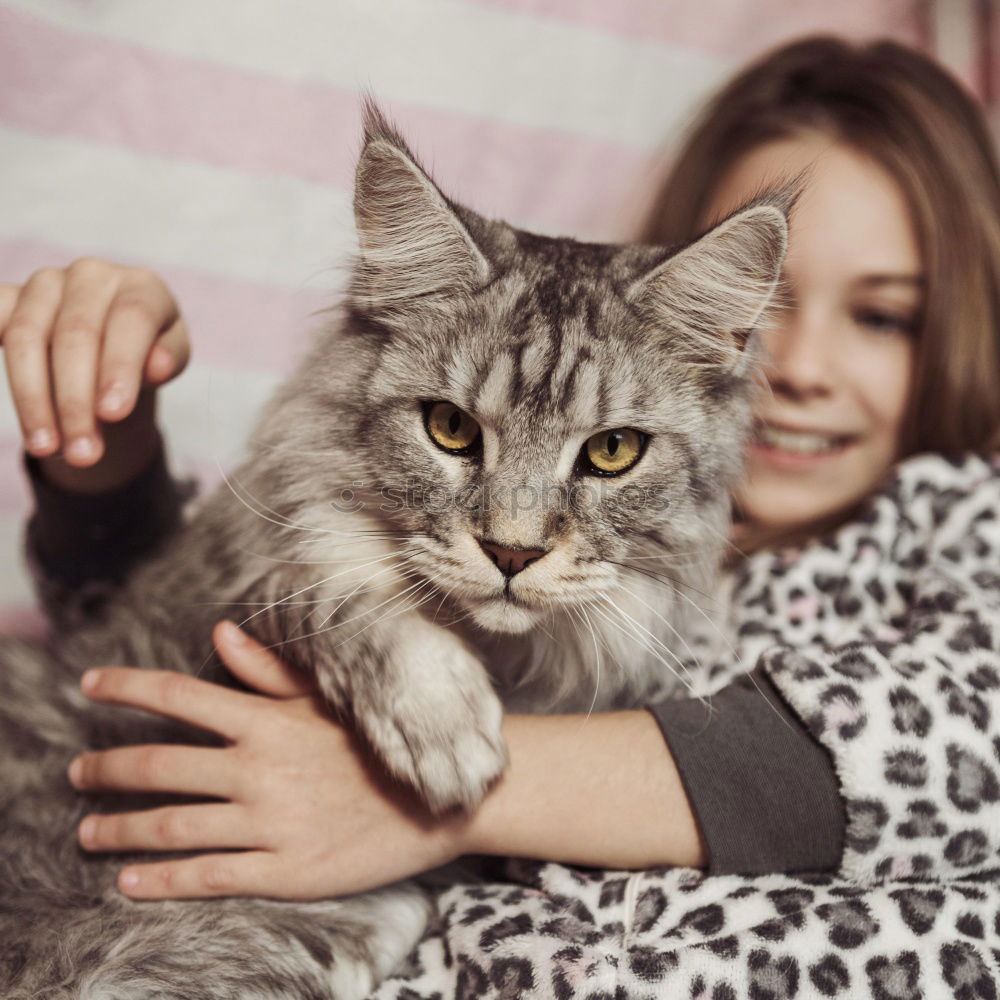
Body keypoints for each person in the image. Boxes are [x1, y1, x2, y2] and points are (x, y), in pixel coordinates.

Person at [4, 34, 1000, 996]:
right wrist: (103, 437)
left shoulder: (950, 524)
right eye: (455, 427)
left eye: (881, 315)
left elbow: (961, 740)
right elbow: (140, 652)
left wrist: (448, 804)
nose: (795, 368)